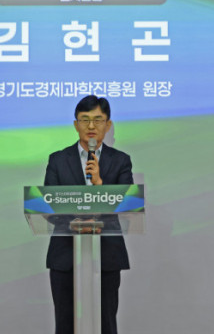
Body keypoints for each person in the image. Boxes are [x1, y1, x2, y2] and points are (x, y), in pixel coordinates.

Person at [44, 95, 133, 334]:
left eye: (98, 120)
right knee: (65, 323)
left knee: (106, 323)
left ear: (108, 124)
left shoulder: (121, 161)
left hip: (106, 255)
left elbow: (127, 205)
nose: (91, 126)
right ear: (76, 124)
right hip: (65, 255)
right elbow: (49, 206)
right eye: (85, 120)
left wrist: (100, 185)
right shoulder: (58, 160)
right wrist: (73, 222)